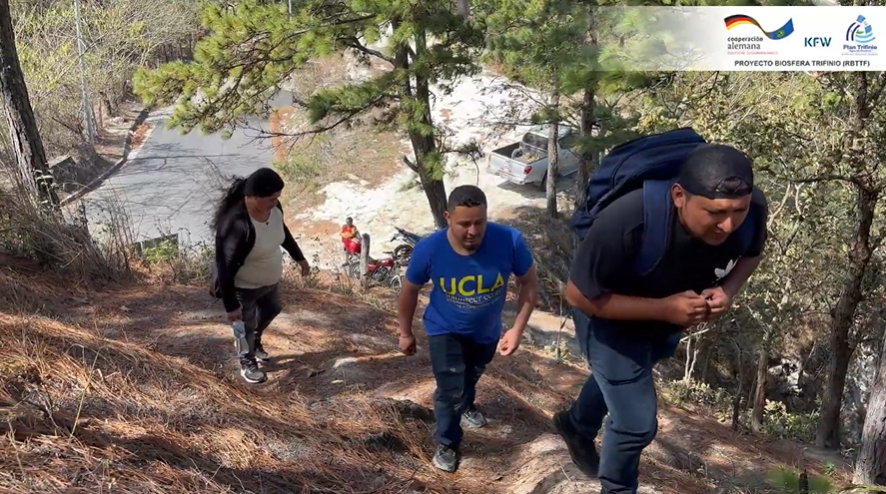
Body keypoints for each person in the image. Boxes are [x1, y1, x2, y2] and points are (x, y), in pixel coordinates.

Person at [555, 143, 768, 494]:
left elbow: (753, 252)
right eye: (715, 213)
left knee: (626, 374)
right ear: (679, 195)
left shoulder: (752, 207)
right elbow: (578, 295)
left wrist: (727, 291)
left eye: (738, 211)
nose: (729, 224)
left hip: (666, 320)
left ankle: (576, 425)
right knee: (637, 424)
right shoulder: (629, 218)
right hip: (606, 318)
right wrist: (664, 309)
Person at [398, 185, 539, 473]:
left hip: (486, 331)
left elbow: (529, 282)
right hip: (443, 328)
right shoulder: (430, 248)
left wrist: (517, 329)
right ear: (448, 217)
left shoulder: (509, 240)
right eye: (464, 224)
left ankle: (467, 405)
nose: (472, 231)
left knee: (471, 375)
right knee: (449, 387)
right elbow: (410, 289)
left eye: (479, 222)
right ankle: (448, 442)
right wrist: (405, 332)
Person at [211, 167, 311, 384]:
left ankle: (255, 340)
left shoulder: (275, 209)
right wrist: (231, 306)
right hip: (242, 287)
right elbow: (225, 267)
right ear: (253, 196)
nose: (275, 202)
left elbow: (282, 232)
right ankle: (247, 362)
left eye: (278, 198)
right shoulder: (237, 223)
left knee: (272, 309)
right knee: (244, 326)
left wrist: (299, 257)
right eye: (271, 199)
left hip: (269, 282)